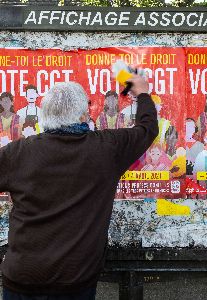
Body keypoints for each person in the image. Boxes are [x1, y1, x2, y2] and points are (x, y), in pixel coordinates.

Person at [0, 75, 158, 300]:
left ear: (45, 115)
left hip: (22, 279)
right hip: (75, 282)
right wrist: (142, 93)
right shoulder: (107, 149)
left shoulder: (18, 153)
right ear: (84, 115)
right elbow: (147, 129)